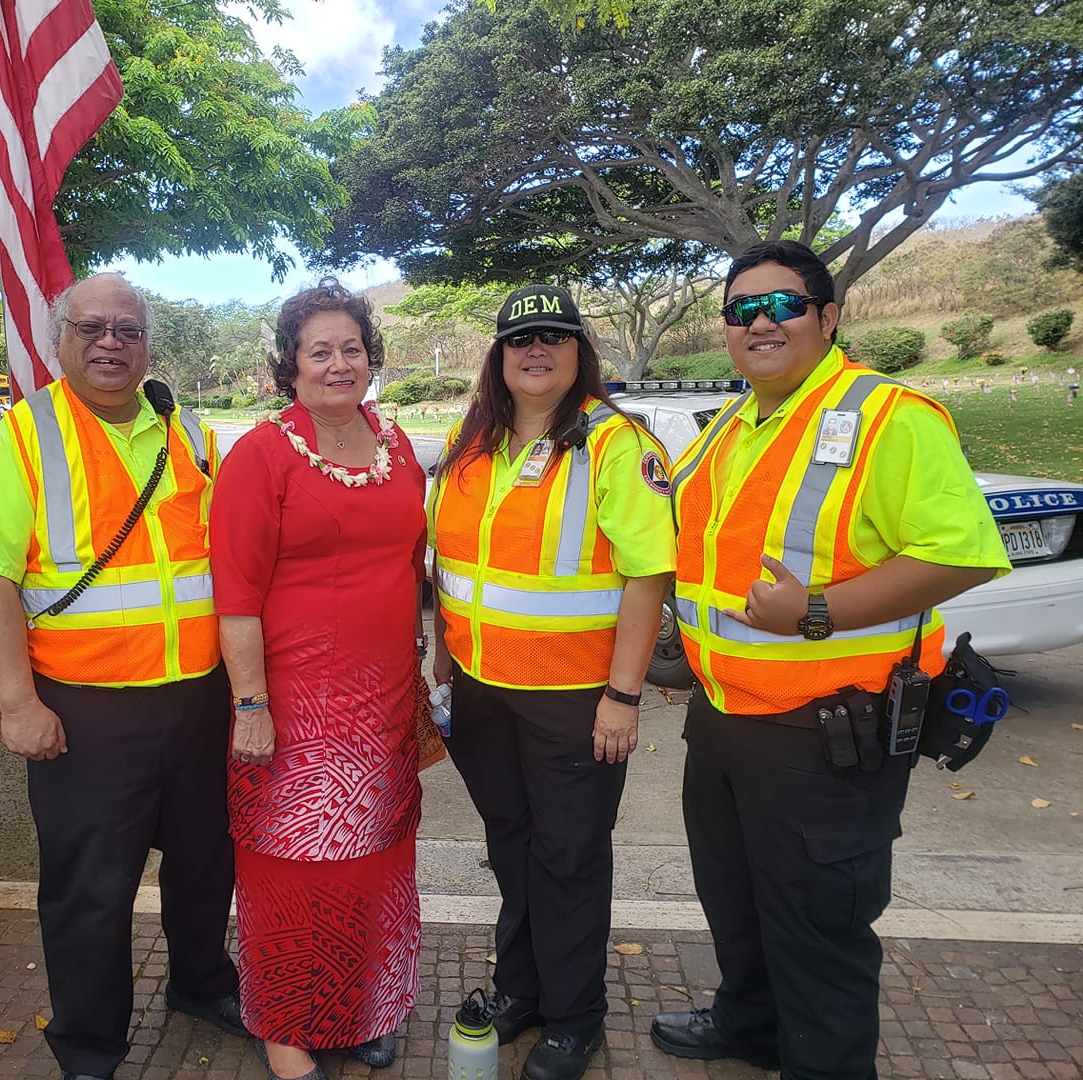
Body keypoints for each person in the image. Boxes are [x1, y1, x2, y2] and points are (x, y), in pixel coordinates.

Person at [651, 240, 1010, 1079]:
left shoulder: (889, 417)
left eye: (783, 304)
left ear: (829, 316)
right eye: (743, 309)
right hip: (727, 716)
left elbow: (963, 554)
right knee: (735, 900)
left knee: (819, 928)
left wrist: (815, 610)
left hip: (827, 730)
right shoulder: (731, 426)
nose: (761, 322)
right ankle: (751, 1025)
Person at [0, 272, 244, 1080]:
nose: (111, 342)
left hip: (197, 696)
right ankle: (89, 1044)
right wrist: (17, 703)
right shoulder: (23, 437)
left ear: (148, 344)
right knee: (90, 889)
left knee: (207, 862)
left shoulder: (193, 433)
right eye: (92, 328)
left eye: (128, 330)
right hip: (86, 712)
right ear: (59, 340)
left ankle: (203, 984)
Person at [429, 285, 677, 1080]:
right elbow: (449, 567)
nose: (536, 352)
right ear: (498, 357)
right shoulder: (472, 443)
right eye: (520, 340)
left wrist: (625, 695)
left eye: (554, 338)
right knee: (513, 849)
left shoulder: (614, 444)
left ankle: (575, 1018)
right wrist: (440, 656)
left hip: (576, 699)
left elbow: (648, 576)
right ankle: (521, 992)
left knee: (568, 857)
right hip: (479, 687)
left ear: (580, 352)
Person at [210, 279, 428, 1080]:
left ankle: (368, 1009)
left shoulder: (400, 450)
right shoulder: (262, 456)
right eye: (320, 351)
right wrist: (252, 705)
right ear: (289, 366)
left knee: (377, 858)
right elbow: (235, 597)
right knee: (289, 866)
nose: (340, 364)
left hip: (384, 702)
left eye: (352, 349)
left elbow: (412, 566)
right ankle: (285, 1027)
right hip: (292, 704)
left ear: (372, 359)